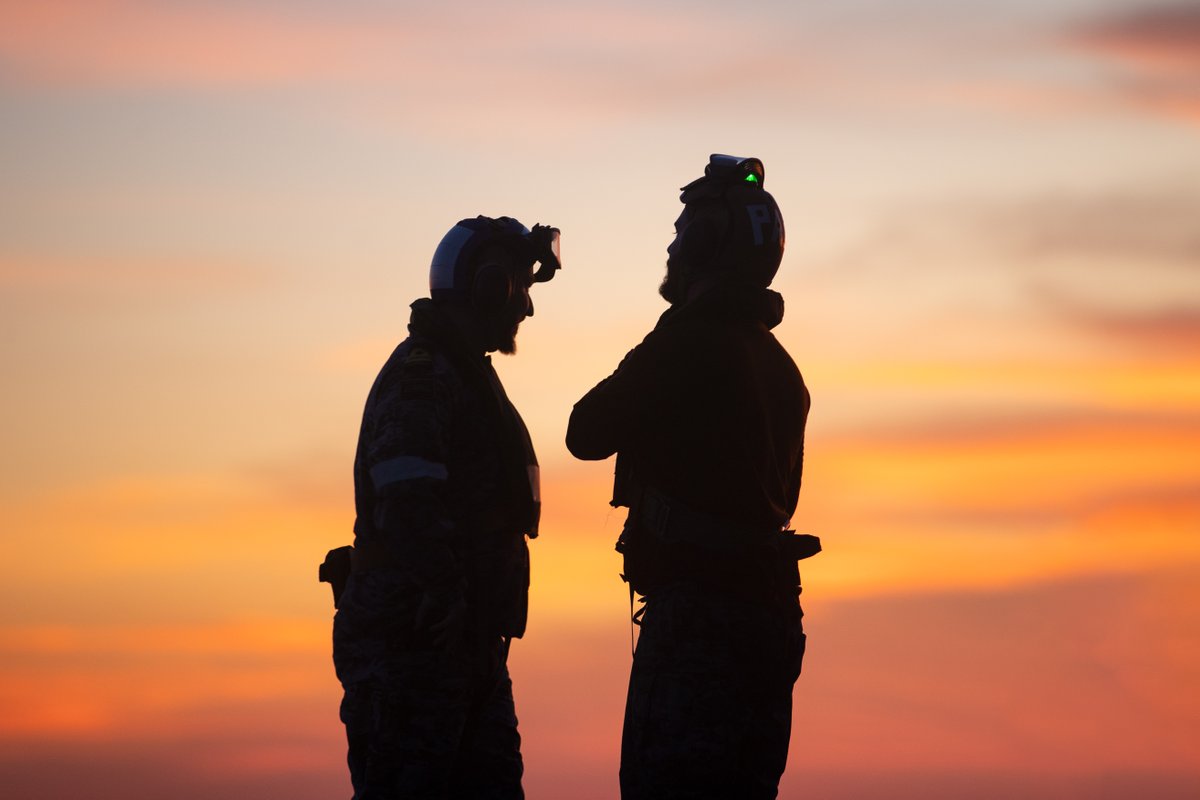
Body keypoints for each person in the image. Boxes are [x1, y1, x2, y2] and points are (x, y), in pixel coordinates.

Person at [566, 155, 818, 799]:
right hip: (766, 620)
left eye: (683, 232)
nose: (672, 246)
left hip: (699, 626)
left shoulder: (687, 342)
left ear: (708, 247)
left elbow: (585, 432)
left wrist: (667, 334)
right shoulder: (782, 368)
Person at [322, 215, 560, 799]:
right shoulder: (422, 377)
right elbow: (408, 497)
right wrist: (446, 590)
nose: (526, 308)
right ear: (489, 287)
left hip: (465, 647)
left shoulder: (465, 376)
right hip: (416, 648)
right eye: (520, 288)